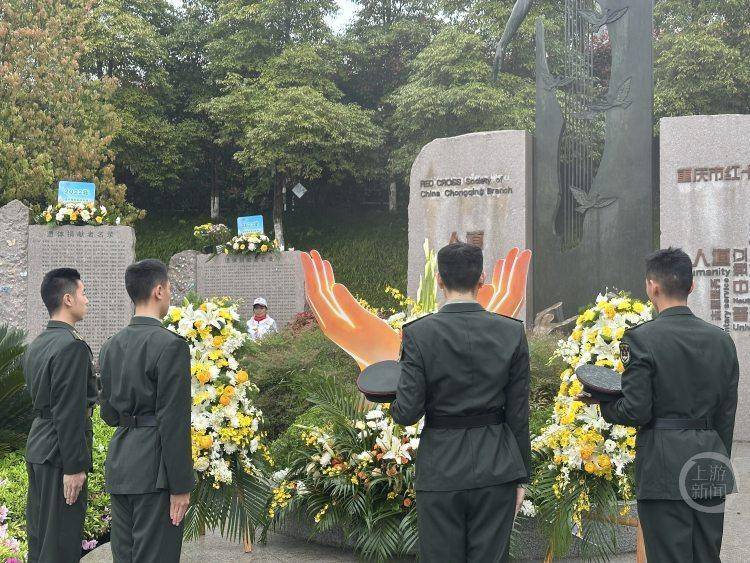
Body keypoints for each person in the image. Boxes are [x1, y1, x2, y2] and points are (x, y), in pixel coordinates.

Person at [578, 248, 739, 562]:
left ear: (652, 287)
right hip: (709, 462)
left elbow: (637, 410)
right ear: (691, 286)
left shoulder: (642, 339)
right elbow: (726, 415)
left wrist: (605, 406)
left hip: (663, 468)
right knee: (706, 555)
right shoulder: (722, 340)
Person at [391, 242, 530, 563]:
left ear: (439, 279)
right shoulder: (511, 332)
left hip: (441, 467)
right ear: (482, 278)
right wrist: (521, 475)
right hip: (497, 466)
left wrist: (390, 399)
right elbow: (519, 413)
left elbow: (407, 412)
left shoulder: (418, 334)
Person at [99, 259, 195, 563]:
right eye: (169, 289)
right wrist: (181, 485)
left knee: (124, 557)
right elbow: (174, 420)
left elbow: (108, 415)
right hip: (156, 470)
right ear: (158, 290)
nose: (169, 295)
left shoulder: (111, 345)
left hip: (121, 464)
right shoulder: (170, 345)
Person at [24, 268, 98, 563]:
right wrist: (74, 467)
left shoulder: (38, 343)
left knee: (41, 538)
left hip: (39, 446)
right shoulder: (71, 346)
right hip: (58, 455)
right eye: (83, 293)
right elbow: (69, 411)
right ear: (68, 299)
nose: (87, 300)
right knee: (60, 543)